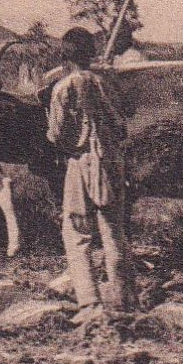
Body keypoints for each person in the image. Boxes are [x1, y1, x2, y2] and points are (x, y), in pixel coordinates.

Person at [47, 27, 138, 320]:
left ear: (64, 56)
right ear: (91, 54)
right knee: (114, 231)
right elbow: (122, 126)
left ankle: (90, 304)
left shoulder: (62, 88)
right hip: (112, 161)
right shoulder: (104, 83)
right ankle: (126, 301)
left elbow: (57, 136)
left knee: (76, 232)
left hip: (80, 163)